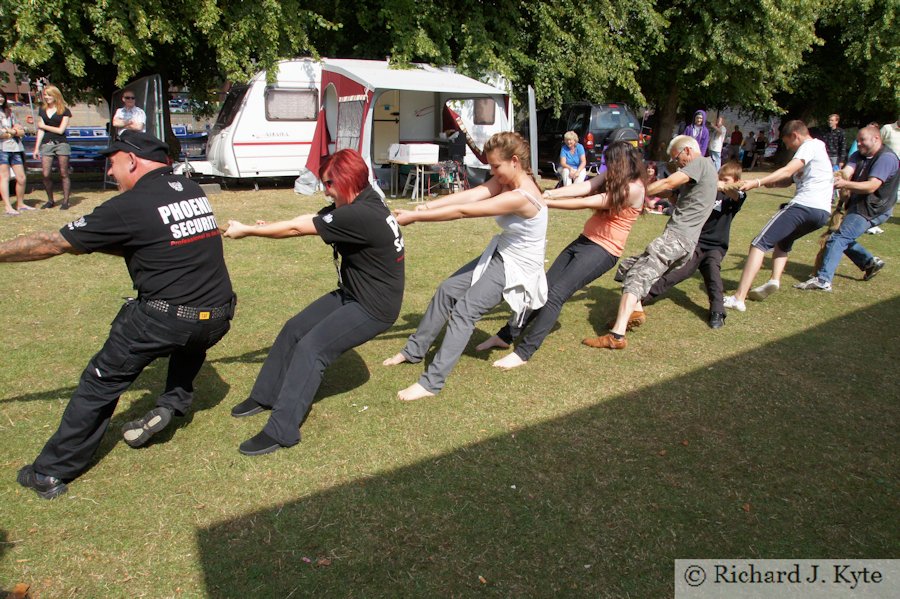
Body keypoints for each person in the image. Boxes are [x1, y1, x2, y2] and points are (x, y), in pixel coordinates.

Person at [3, 130, 235, 499]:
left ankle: (50, 471)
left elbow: (50, 243)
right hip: (219, 314)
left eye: (112, 164)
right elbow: (157, 240)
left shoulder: (129, 205)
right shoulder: (191, 189)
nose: (111, 173)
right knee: (192, 335)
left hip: (165, 319)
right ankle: (174, 402)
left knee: (100, 381)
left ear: (131, 160)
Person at [222, 149, 405, 455]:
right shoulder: (367, 197)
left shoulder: (358, 213)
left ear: (347, 180)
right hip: (354, 292)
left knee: (312, 348)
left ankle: (282, 431)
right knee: (294, 329)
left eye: (328, 183)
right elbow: (314, 219)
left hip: (373, 307)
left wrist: (250, 230)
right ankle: (265, 396)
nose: (324, 189)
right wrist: (269, 225)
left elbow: (298, 228)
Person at [383, 132, 546, 400]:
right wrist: (424, 207)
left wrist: (416, 218)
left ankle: (431, 383)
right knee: (447, 290)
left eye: (496, 166)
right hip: (502, 253)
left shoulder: (522, 195)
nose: (492, 172)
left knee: (464, 312)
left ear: (514, 161)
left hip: (517, 265)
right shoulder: (505, 180)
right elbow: (471, 197)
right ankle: (414, 351)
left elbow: (465, 212)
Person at [475, 141, 646, 370]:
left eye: (610, 162)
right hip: (585, 241)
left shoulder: (635, 188)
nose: (606, 167)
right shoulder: (613, 178)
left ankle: (524, 352)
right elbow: (583, 188)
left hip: (604, 251)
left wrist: (545, 202)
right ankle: (506, 336)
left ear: (622, 163)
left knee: (555, 295)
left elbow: (589, 201)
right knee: (541, 286)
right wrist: (550, 192)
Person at [583, 135, 717, 349]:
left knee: (637, 276)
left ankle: (616, 335)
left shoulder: (700, 163)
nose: (676, 165)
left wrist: (634, 191)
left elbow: (668, 182)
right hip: (685, 243)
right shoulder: (705, 173)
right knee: (629, 267)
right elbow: (670, 192)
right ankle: (635, 311)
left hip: (677, 238)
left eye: (676, 160)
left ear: (687, 152)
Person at [724, 120, 832, 312]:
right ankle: (774, 280)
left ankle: (739, 298)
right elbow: (790, 179)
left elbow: (788, 169)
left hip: (804, 206)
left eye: (788, 143)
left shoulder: (809, 146)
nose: (788, 147)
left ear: (795, 136)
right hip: (821, 214)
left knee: (759, 243)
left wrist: (757, 181)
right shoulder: (819, 151)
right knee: (783, 242)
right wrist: (772, 183)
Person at [639, 160, 747, 329]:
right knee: (679, 272)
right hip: (696, 241)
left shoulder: (736, 197)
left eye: (727, 179)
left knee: (713, 274)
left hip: (715, 246)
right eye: (720, 178)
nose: (722, 182)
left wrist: (721, 185)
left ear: (735, 181)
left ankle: (717, 312)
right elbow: (677, 195)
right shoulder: (708, 192)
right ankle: (642, 297)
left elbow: (735, 193)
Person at [794, 126, 898, 291]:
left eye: (862, 140)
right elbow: (846, 172)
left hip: (874, 209)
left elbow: (872, 186)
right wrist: (826, 175)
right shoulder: (859, 155)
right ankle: (869, 263)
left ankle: (823, 280)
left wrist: (845, 184)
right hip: (859, 204)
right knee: (841, 237)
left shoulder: (886, 158)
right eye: (858, 140)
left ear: (876, 139)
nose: (859, 144)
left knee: (838, 238)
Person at [32, 85, 73, 210]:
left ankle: (65, 201)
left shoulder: (64, 111)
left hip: (61, 143)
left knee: (64, 173)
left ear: (56, 95)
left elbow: (61, 130)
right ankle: (50, 200)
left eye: (49, 95)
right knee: (45, 174)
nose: (47, 97)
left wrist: (43, 126)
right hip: (47, 144)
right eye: (45, 95)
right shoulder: (42, 110)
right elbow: (40, 131)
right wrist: (36, 148)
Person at [0, 95, 29, 215]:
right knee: (4, 177)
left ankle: (20, 203)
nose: (0, 98)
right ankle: (8, 206)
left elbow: (21, 130)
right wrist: (13, 132)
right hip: (2, 149)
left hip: (15, 148)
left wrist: (11, 131)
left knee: (21, 177)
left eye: (1, 96)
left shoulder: (9, 112)